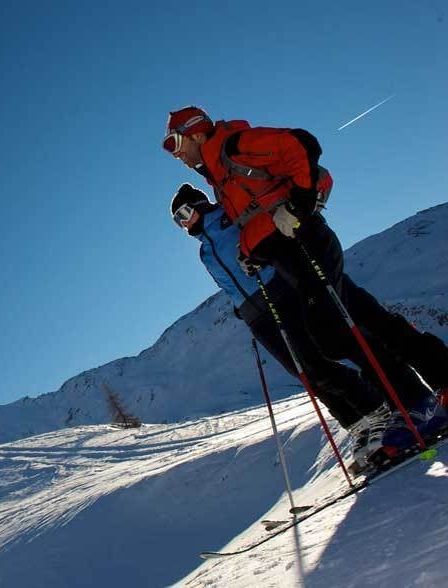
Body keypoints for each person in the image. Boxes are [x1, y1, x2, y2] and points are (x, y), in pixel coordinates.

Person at [162, 106, 448, 454]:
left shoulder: (234, 145)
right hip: (286, 256)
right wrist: (251, 253)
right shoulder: (220, 177)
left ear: (195, 133)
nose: (175, 154)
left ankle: (413, 404)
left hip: (303, 242)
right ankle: (434, 382)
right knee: (370, 320)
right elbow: (258, 217)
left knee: (337, 334)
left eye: (174, 143)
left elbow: (301, 144)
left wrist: (297, 205)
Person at [170, 182, 390, 465]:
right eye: (178, 221)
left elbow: (259, 239)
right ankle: (356, 424)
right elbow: (226, 283)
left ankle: (374, 407)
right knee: (302, 374)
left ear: (199, 205)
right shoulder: (204, 252)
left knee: (314, 363)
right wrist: (240, 308)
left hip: (277, 292)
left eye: (184, 214)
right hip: (254, 314)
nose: (184, 223)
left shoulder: (230, 217)